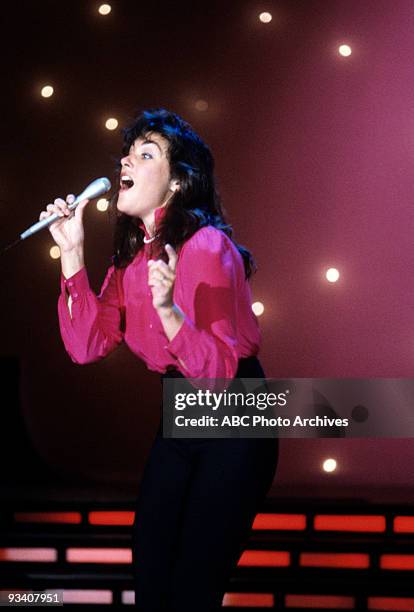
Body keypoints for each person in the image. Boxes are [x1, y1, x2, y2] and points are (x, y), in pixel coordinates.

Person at [40, 108, 278, 611]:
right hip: (182, 410)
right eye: (129, 151)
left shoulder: (208, 246)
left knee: (193, 587)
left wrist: (169, 312)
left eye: (146, 154)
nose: (126, 159)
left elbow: (216, 375)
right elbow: (87, 347)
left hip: (236, 411)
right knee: (151, 574)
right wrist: (73, 255)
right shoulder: (130, 261)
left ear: (176, 184)